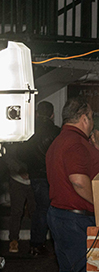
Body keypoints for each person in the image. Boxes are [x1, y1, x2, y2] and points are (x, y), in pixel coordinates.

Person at [46, 97, 99, 272]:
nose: (92, 123)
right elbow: (79, 181)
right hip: (74, 216)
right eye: (91, 118)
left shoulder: (61, 140)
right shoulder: (74, 143)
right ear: (84, 118)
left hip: (63, 214)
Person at [18, 101, 60, 257]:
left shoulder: (30, 131)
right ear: (52, 115)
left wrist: (29, 166)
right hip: (51, 175)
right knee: (50, 209)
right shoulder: (56, 132)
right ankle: (40, 243)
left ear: (37, 113)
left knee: (40, 209)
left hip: (35, 174)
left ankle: (36, 243)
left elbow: (20, 153)